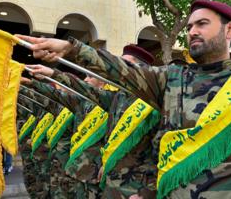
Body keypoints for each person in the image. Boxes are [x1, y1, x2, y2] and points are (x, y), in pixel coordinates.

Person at [17, 0, 231, 199]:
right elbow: (123, 71)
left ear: (229, 29)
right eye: (189, 27)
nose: (192, 32)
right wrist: (73, 49)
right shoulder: (170, 79)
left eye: (202, 24)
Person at [28, 45, 160, 198]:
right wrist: (51, 73)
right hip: (110, 185)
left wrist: (148, 192)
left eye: (125, 65)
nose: (119, 70)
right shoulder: (118, 97)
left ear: (140, 70)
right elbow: (83, 89)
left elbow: (163, 152)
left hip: (135, 189)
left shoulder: (154, 103)